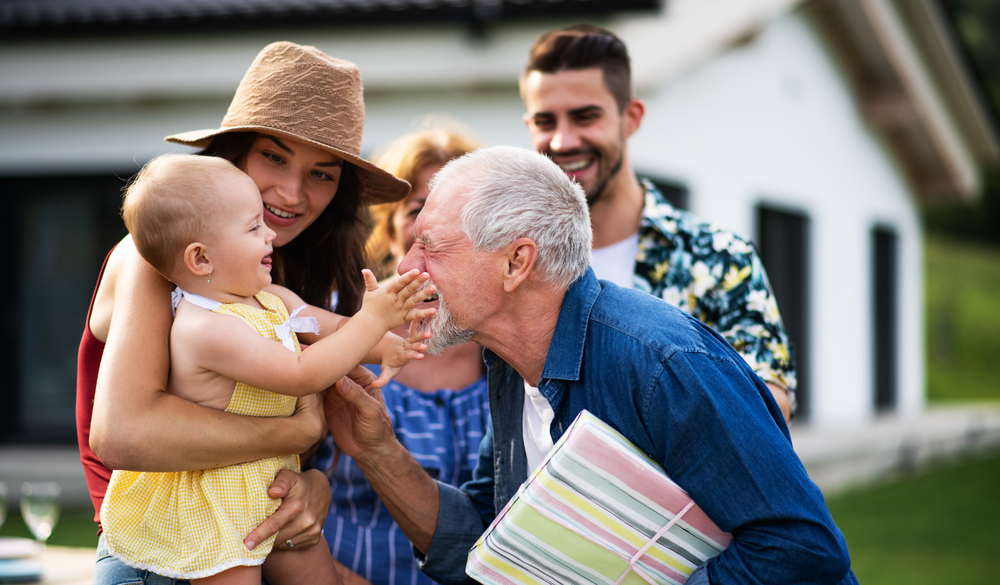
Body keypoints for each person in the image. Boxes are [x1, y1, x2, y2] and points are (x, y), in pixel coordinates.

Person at [324, 146, 858, 584]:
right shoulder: (508, 363)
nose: (407, 266)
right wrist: (376, 451)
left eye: (431, 247)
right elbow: (490, 538)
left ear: (516, 262)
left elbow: (801, 547)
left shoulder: (661, 365)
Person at [77, 42, 411, 584]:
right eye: (273, 157)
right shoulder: (156, 260)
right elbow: (122, 435)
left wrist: (313, 486)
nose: (291, 193)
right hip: (162, 554)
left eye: (322, 174)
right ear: (232, 153)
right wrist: (295, 433)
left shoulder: (279, 273)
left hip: (251, 531)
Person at [520, 25, 795, 421]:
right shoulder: (514, 263)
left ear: (631, 118)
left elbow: (768, 407)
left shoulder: (718, 258)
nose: (563, 141)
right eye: (546, 122)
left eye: (585, 117)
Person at [310, 126, 488, 585]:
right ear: (390, 231)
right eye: (418, 211)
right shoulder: (333, 330)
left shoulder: (505, 353)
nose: (436, 229)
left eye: (460, 214)